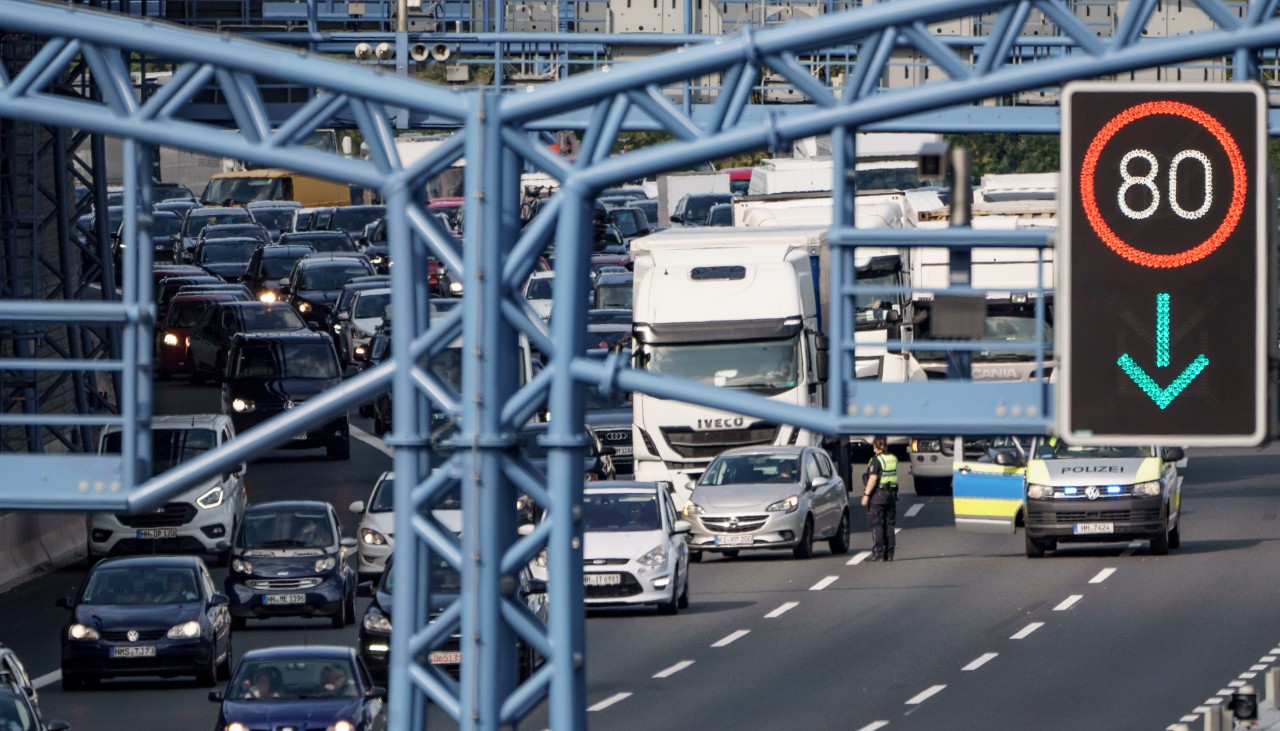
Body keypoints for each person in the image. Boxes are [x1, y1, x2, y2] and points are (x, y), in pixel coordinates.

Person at [861, 435, 899, 562]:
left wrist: (866, 495)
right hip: (892, 495)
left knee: (877, 524)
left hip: (878, 496)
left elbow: (873, 478)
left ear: (876, 446)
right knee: (889, 525)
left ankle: (878, 553)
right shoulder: (893, 458)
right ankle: (890, 553)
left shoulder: (876, 460)